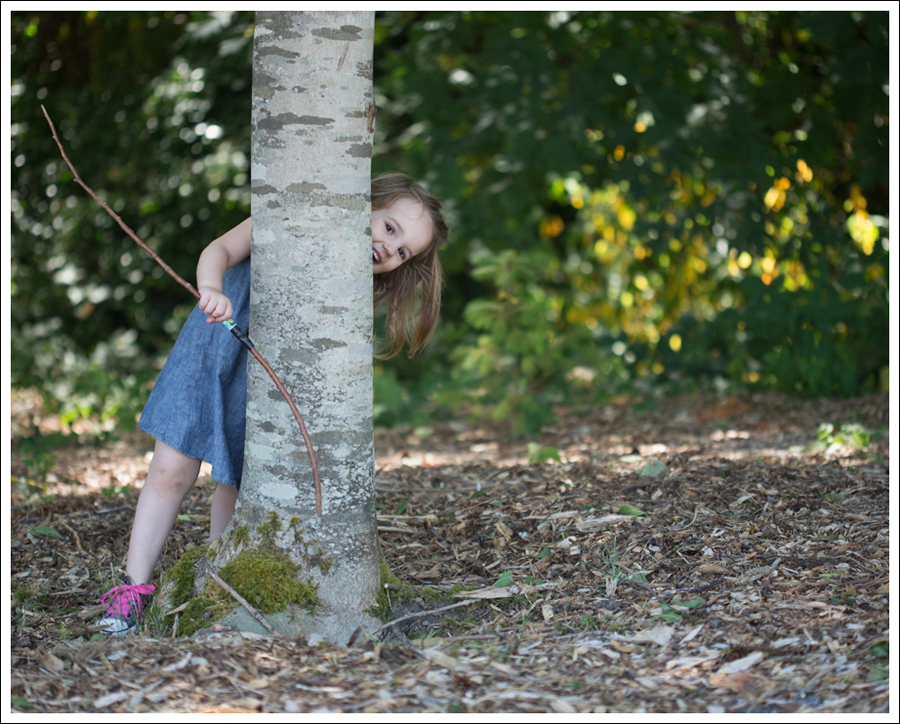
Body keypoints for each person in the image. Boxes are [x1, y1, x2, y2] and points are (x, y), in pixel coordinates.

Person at [96, 173, 449, 636]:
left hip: (267, 378)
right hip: (215, 341)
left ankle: (220, 586)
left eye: (403, 251)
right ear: (362, 202)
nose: (389, 248)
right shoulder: (290, 217)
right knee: (171, 470)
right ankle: (132, 587)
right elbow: (218, 250)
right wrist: (212, 287)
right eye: (388, 227)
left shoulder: (351, 287)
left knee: (241, 482)